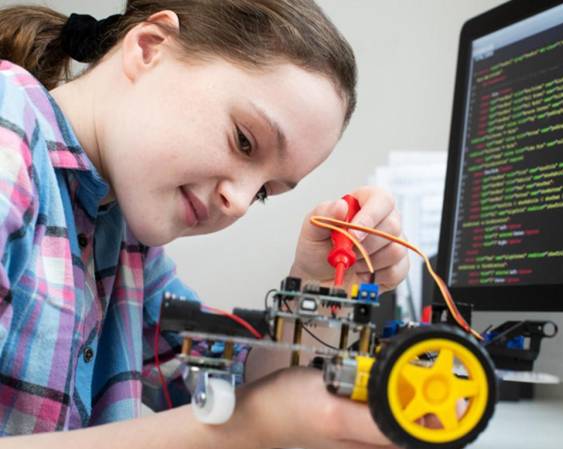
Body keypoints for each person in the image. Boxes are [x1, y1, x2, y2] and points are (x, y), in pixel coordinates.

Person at [0, 1, 411, 447]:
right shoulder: (9, 135)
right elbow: (246, 412)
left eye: (262, 193)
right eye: (244, 140)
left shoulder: (121, 232)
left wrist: (316, 284)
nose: (236, 203)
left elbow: (226, 381)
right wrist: (247, 428)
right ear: (149, 47)